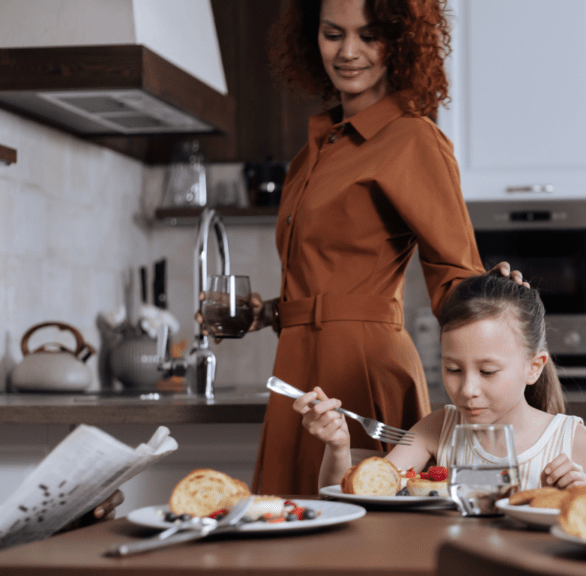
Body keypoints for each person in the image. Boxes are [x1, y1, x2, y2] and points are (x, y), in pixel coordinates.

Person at [200, 0, 532, 496]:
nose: (349, 52)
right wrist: (265, 312)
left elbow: (454, 274)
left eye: (369, 35)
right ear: (312, 39)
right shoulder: (311, 152)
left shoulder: (413, 139)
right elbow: (325, 279)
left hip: (362, 365)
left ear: (399, 41)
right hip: (295, 363)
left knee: (361, 527)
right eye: (333, 34)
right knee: (289, 526)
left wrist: (493, 299)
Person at [294, 273, 586, 490]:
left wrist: (566, 499)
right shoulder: (437, 429)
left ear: (534, 368)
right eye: (453, 370)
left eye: (488, 372)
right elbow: (360, 495)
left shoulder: (572, 441)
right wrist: (338, 447)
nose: (467, 390)